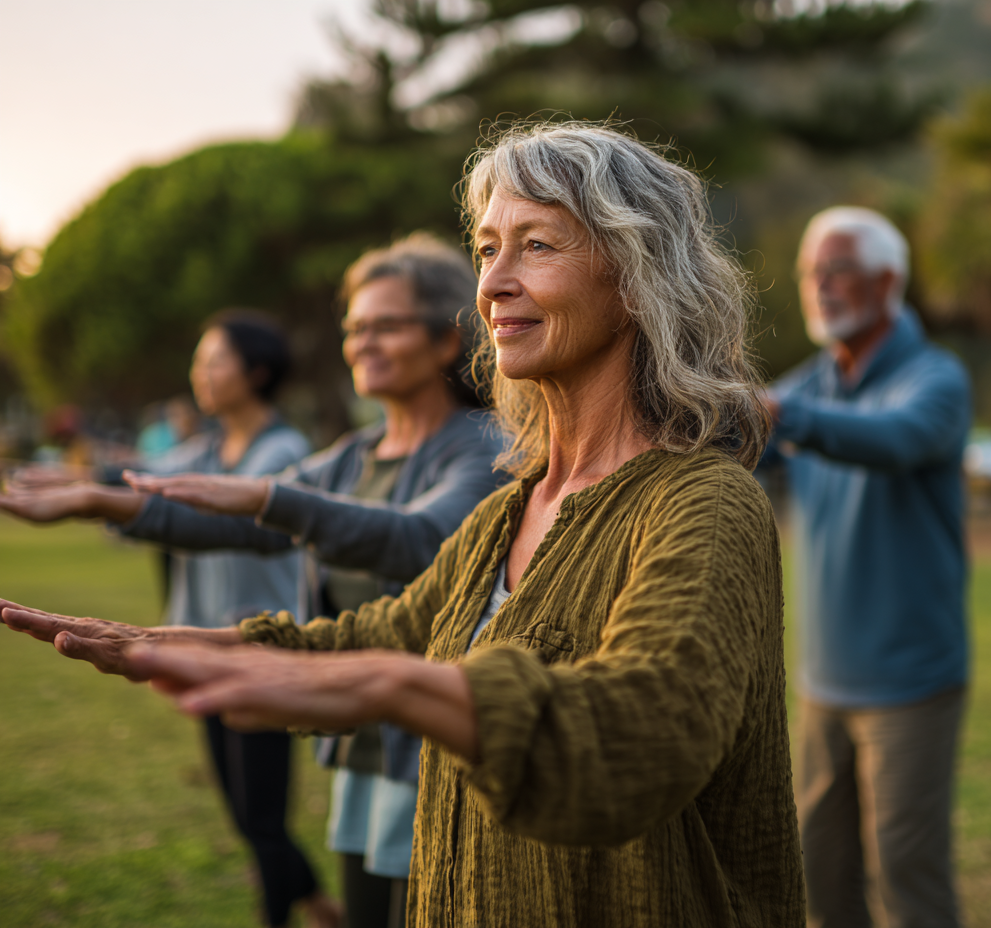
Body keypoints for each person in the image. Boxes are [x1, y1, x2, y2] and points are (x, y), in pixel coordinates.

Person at [1, 121, 806, 928]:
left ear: (637, 275)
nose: (493, 284)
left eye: (537, 245)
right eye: (487, 250)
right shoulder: (505, 514)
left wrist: (394, 685)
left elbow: (649, 732)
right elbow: (383, 634)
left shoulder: (704, 503)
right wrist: (173, 645)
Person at [119, 233, 507, 928]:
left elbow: (421, 540)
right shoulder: (353, 455)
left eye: (386, 326)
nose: (362, 343)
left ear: (446, 342)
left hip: (441, 742)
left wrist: (271, 497)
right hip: (364, 738)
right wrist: (101, 502)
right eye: (355, 328)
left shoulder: (483, 446)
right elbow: (239, 522)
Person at [0, 312, 339, 928]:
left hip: (256, 647)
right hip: (194, 646)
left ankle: (294, 912)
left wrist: (94, 496)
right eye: (198, 360)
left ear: (257, 372)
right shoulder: (206, 449)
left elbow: (217, 518)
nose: (199, 373)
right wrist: (77, 480)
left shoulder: (282, 452)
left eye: (215, 361)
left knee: (261, 817)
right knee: (244, 814)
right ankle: (320, 906)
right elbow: (142, 478)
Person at [763, 207, 972, 928]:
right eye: (810, 272)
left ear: (887, 283)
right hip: (823, 682)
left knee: (908, 878)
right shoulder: (809, 386)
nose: (819, 285)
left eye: (838, 269)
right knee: (821, 875)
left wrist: (780, 416)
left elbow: (897, 437)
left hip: (911, 684)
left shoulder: (936, 379)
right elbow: (738, 442)